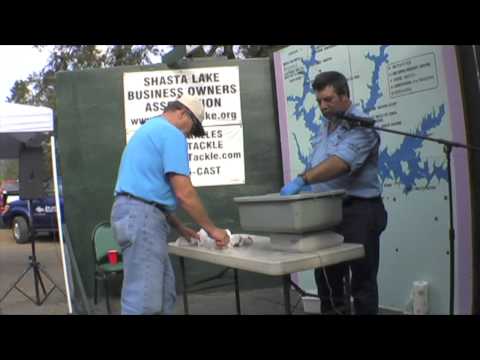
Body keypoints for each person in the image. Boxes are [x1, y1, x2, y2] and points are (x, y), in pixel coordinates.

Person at [110, 95, 230, 315]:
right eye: (192, 129)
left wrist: (179, 227)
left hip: (137, 214)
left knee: (164, 296)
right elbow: (184, 192)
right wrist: (213, 230)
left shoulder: (151, 129)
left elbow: (149, 192)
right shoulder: (171, 134)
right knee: (143, 304)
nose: (189, 135)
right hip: (142, 218)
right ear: (182, 113)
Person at [280, 71, 388, 314]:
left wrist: (302, 179)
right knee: (327, 278)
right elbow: (322, 159)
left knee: (362, 280)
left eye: (328, 99)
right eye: (319, 101)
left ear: (344, 95)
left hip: (358, 211)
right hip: (327, 212)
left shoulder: (361, 126)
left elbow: (340, 163)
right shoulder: (328, 124)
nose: (323, 106)